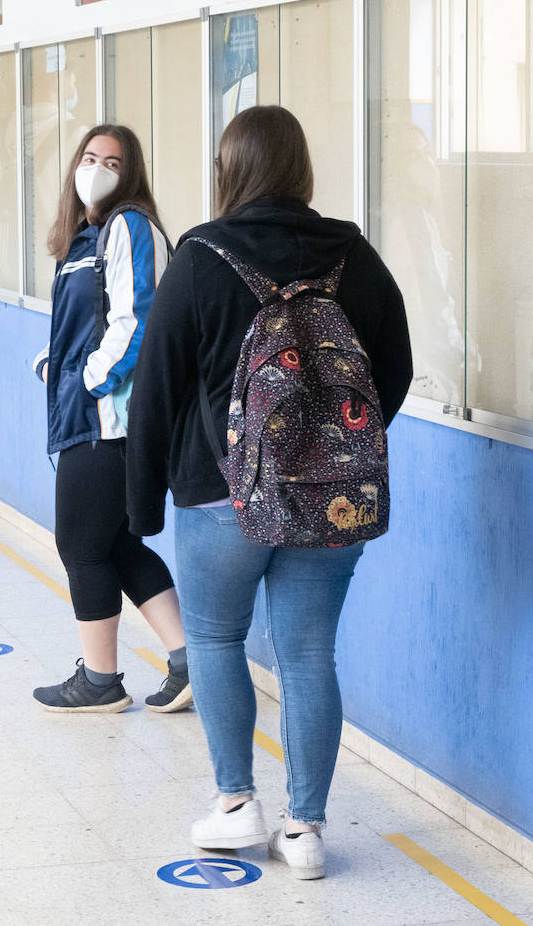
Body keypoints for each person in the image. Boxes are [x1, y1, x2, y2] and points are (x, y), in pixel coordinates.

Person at [126, 106, 412, 879]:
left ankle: (234, 804)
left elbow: (154, 391)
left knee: (217, 640)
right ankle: (306, 829)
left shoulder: (200, 257)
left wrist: (141, 501)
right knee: (309, 652)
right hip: (332, 498)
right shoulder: (355, 255)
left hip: (220, 495)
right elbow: (397, 367)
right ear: (302, 168)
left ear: (229, 171)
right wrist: (337, 440)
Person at [31, 124, 190, 715]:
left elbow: (137, 325)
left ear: (131, 175)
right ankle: (187, 658)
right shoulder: (85, 237)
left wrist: (83, 382)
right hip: (88, 415)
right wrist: (56, 364)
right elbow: (91, 325)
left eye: (113, 162)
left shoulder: (129, 226)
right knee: (117, 546)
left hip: (110, 423)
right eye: (89, 157)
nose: (96, 168)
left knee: (79, 544)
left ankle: (100, 680)